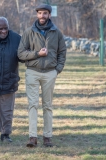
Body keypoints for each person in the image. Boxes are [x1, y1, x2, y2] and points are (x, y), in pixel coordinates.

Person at [17, 4, 66, 147]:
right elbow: (20, 53)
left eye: (45, 13)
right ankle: (32, 137)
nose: (42, 16)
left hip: (50, 73)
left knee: (47, 105)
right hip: (32, 72)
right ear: (37, 15)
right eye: (39, 13)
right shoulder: (28, 32)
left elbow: (62, 52)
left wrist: (57, 69)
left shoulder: (56, 33)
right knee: (33, 104)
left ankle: (47, 137)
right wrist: (37, 54)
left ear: (49, 15)